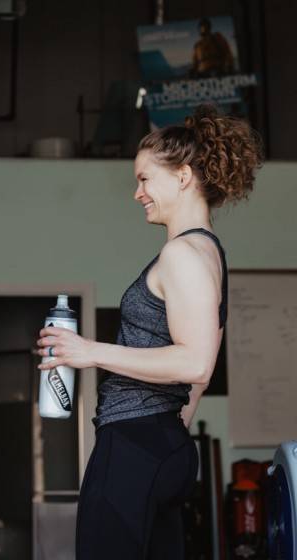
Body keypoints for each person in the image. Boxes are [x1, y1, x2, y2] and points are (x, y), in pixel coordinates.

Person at [37, 105, 263, 559]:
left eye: (144, 179)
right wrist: (170, 432)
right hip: (160, 443)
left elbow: (196, 362)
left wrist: (89, 351)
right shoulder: (209, 253)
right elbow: (202, 366)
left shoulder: (182, 255)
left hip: (135, 444)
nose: (137, 193)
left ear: (182, 177)